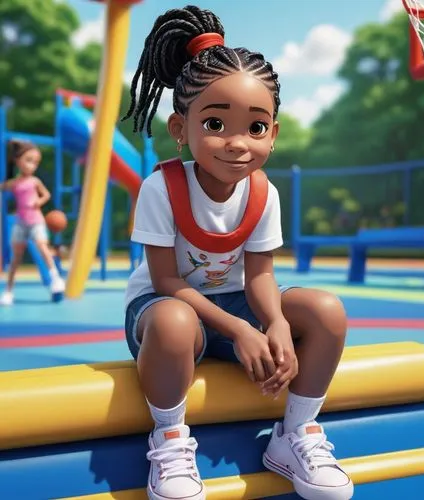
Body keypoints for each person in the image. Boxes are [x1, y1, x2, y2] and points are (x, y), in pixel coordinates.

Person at [122, 6, 353, 500]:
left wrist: (276, 324)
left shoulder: (263, 192)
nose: (237, 144)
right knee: (174, 322)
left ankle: (295, 433)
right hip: (167, 314)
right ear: (180, 128)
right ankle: (168, 441)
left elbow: (261, 276)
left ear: (274, 132)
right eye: (214, 123)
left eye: (255, 127)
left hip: (236, 306)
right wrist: (242, 329)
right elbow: (167, 282)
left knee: (325, 312)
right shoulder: (162, 189)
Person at [0, 140, 65, 306]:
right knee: (16, 259)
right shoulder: (14, 183)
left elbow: (46, 194)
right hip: (20, 222)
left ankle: (56, 278)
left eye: (35, 162)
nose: (32, 165)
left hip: (36, 220)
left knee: (43, 248)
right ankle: (8, 290)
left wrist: (39, 201)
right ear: (17, 160)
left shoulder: (35, 181)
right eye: (29, 160)